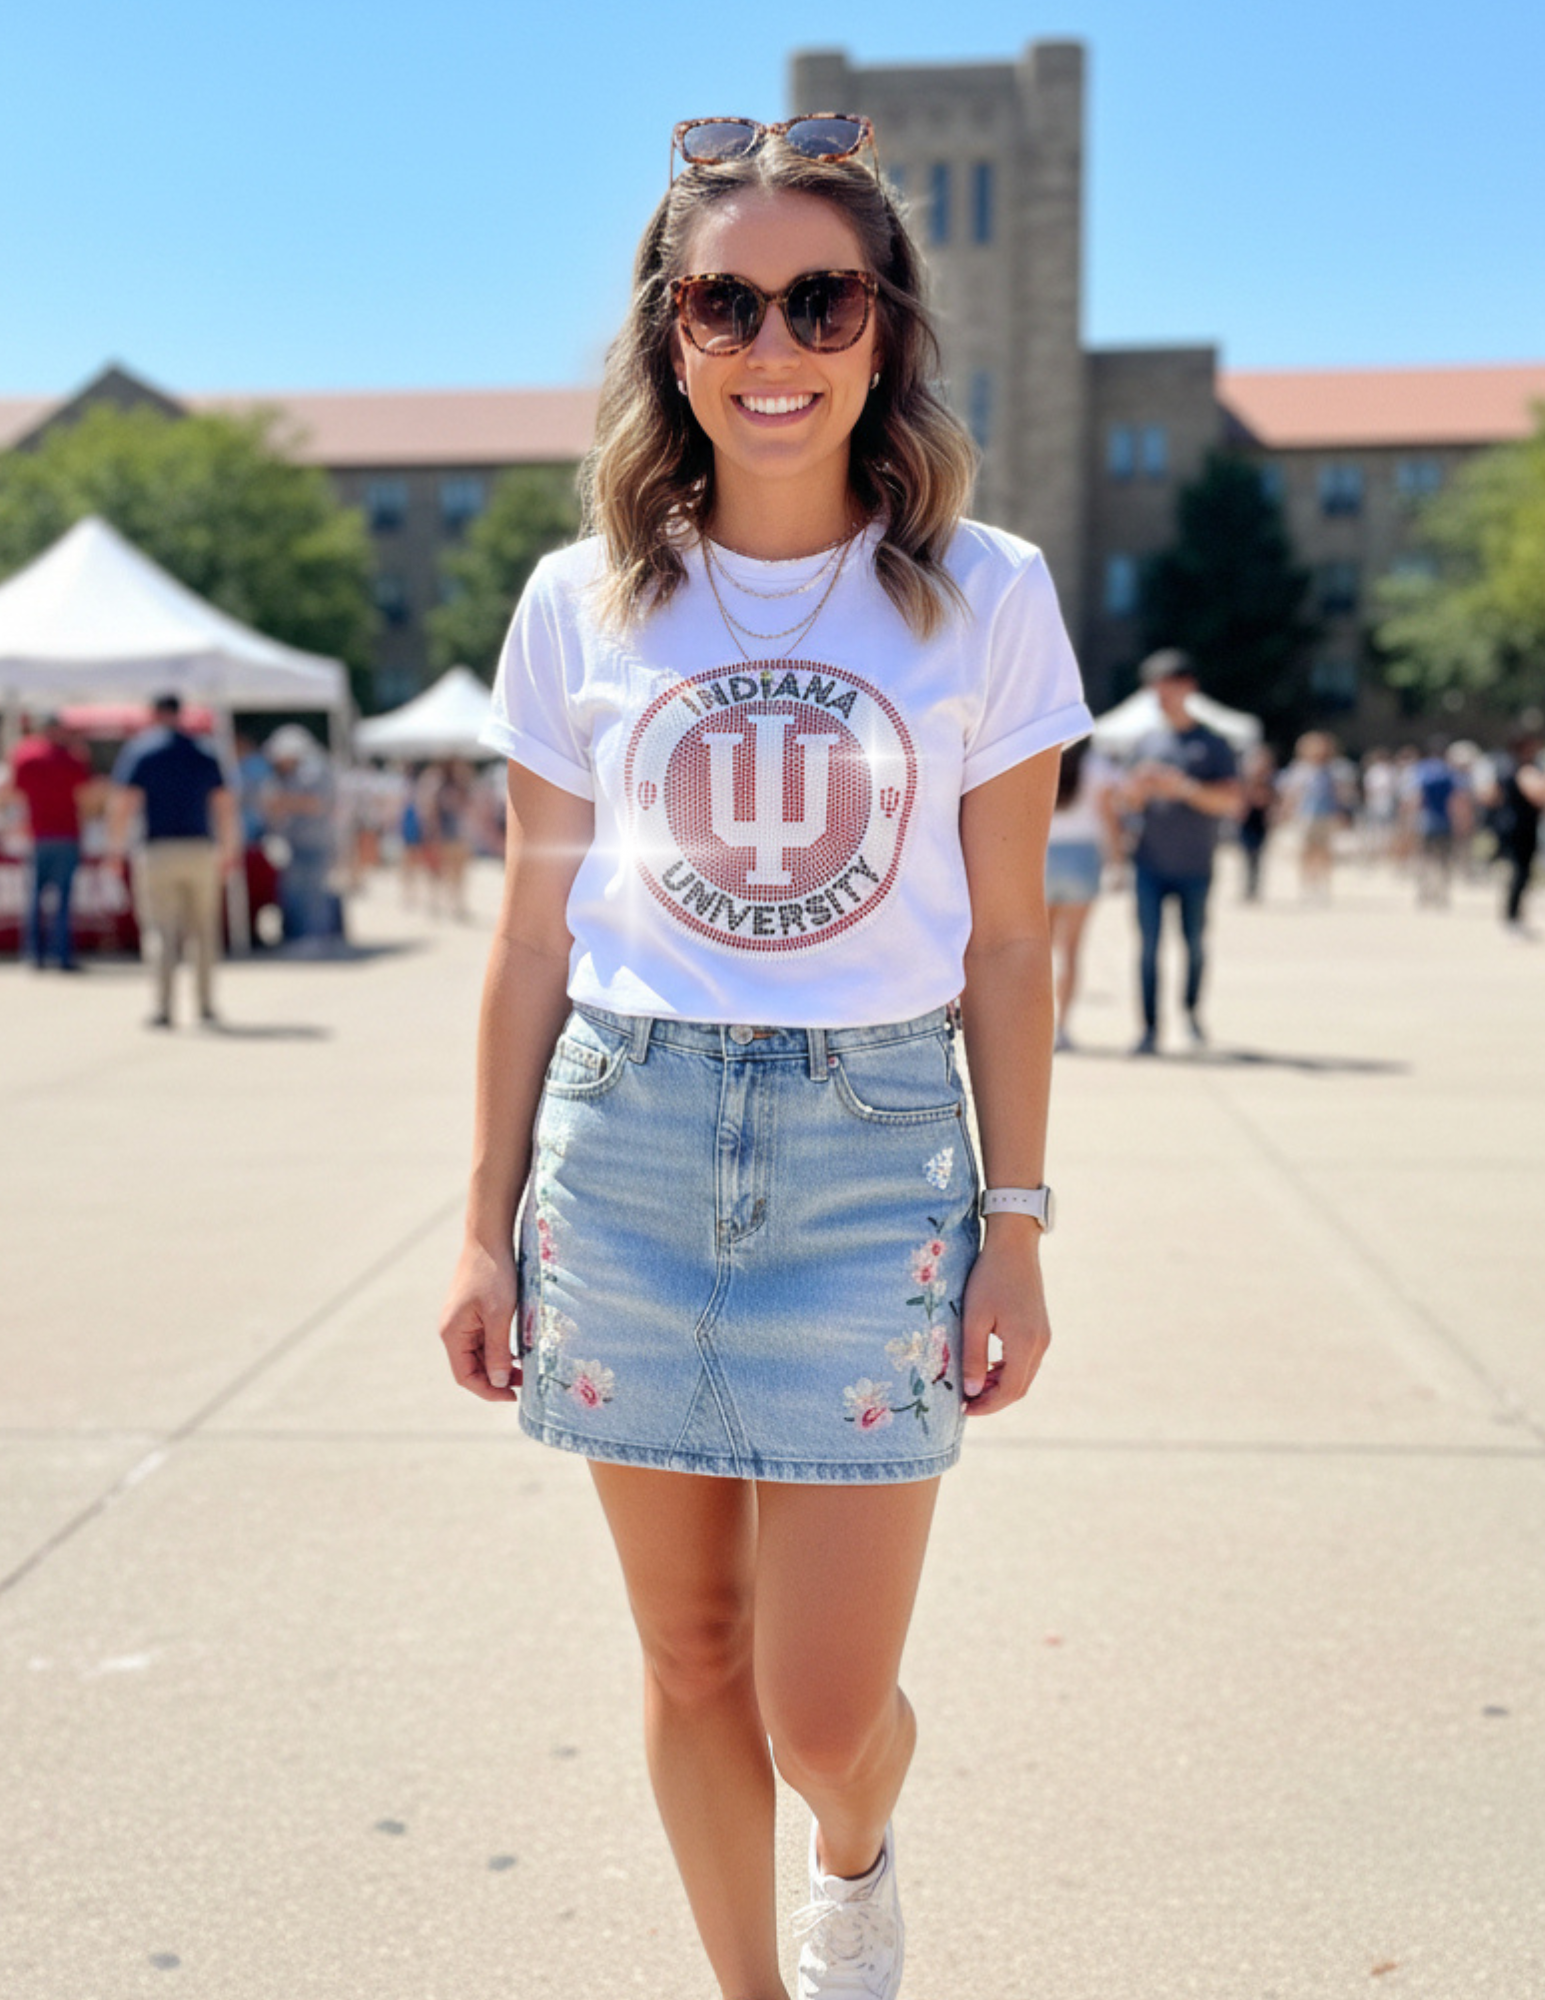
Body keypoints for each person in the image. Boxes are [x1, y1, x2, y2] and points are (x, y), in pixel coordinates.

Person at [437, 112, 1091, 2000]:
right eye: (730, 301)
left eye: (825, 297)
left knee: (822, 1715)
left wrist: (1018, 1223)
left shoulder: (986, 596)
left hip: (878, 1156)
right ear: (674, 333)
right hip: (624, 1143)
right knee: (690, 1657)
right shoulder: (585, 604)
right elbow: (530, 934)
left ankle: (857, 1849)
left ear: (884, 329)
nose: (776, 341)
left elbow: (1010, 943)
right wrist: (482, 1227)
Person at [1119, 649, 1242, 1055]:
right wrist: (1137, 791)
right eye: (1154, 686)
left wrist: (1184, 788)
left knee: (1193, 944)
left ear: (1187, 687)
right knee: (1148, 948)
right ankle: (1149, 1029)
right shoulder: (1146, 742)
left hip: (1196, 862)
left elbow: (1230, 802)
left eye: (1166, 686)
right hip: (1149, 862)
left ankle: (1190, 1017)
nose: (1159, 694)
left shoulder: (1213, 743)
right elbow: (1129, 804)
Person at [110, 693, 238, 1027]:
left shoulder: (142, 750)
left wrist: (115, 850)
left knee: (160, 931)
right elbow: (225, 806)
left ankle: (163, 1007)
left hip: (158, 849)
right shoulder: (204, 750)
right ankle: (206, 1004)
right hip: (200, 848)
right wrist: (229, 850)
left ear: (153, 714)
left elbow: (124, 804)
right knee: (204, 931)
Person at [2, 712, 98, 970]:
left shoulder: (26, 755)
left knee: (36, 898)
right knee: (62, 900)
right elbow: (87, 799)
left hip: (39, 835)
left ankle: (35, 956)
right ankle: (61, 956)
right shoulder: (73, 758)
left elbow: (11, 794)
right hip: (64, 835)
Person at [1043, 734, 1119, 1049]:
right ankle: (1062, 1027)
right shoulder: (1097, 766)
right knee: (1071, 949)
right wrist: (1118, 860)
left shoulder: (1042, 758)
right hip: (1083, 858)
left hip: (1044, 854)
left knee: (1036, 949)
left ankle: (1038, 1025)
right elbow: (1107, 815)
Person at [262, 725, 338, 946]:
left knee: (314, 894)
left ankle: (316, 938)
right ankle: (299, 936)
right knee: (295, 894)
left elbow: (317, 804)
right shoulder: (287, 775)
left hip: (315, 842)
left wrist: (286, 802)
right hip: (293, 843)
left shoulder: (315, 770)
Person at [1492, 727, 1545, 932]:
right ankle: (1513, 917)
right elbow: (1538, 795)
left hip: (1509, 825)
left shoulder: (1505, 767)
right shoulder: (1525, 770)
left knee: (1518, 873)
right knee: (1521, 874)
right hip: (1521, 828)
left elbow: (1491, 796)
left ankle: (1513, 915)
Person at [1235, 743, 1278, 901]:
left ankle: (1254, 888)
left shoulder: (1269, 780)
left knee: (1258, 855)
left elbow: (1271, 801)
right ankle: (1247, 887)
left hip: (1260, 820)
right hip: (1246, 819)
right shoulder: (1244, 779)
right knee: (1246, 855)